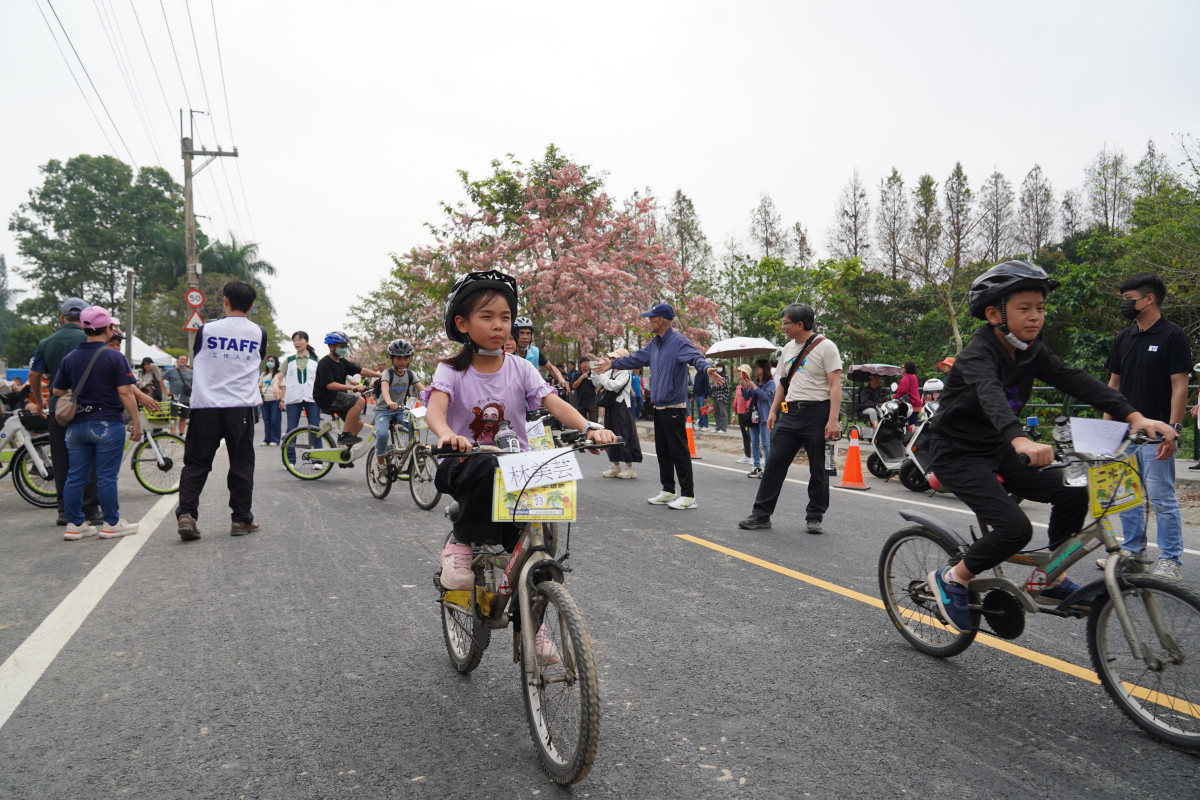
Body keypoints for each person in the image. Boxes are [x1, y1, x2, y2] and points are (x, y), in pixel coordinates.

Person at [918, 261, 1176, 633]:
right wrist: (1019, 437)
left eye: (1040, 308)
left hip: (1000, 448)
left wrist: (1134, 416)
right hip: (957, 452)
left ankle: (1051, 577)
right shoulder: (978, 353)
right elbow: (989, 394)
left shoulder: (1030, 350)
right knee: (1014, 530)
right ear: (994, 314)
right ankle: (952, 578)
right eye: (1024, 308)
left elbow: (1075, 380)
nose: (1036, 316)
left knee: (1075, 489)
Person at [424, 269, 614, 592]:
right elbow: (435, 410)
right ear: (462, 323)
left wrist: (589, 426)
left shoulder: (522, 368)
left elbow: (554, 403)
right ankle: (460, 541)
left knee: (536, 554)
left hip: (516, 469)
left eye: (505, 316)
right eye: (487, 316)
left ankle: (532, 627)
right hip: (464, 465)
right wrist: (446, 434)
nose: (499, 325)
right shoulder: (451, 369)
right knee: (486, 465)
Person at [592, 301, 724, 511]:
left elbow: (696, 357)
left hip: (675, 407)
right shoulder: (655, 344)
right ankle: (668, 490)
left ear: (660, 320)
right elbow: (636, 358)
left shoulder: (679, 342)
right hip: (659, 406)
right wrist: (612, 363)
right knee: (663, 450)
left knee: (679, 451)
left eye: (651, 318)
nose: (649, 322)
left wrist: (707, 368)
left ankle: (688, 495)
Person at [1103, 272, 1191, 581]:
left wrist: (1173, 428)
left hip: (1157, 434)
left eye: (1129, 299)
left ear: (1149, 299)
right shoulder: (1124, 338)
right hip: (1126, 433)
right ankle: (1133, 553)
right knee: (1127, 495)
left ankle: (1171, 560)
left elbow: (1180, 386)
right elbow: (1113, 384)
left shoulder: (1172, 335)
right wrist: (1107, 429)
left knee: (1161, 497)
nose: (1124, 304)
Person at [176, 280, 269, 541]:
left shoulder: (205, 330)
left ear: (225, 301)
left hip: (205, 406)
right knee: (241, 463)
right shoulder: (258, 333)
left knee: (196, 463)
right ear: (251, 306)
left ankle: (187, 515)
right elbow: (259, 359)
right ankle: (241, 519)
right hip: (240, 407)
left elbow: (198, 358)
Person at [738, 303, 842, 534]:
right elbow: (782, 384)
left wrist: (832, 420)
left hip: (818, 413)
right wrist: (774, 410)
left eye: (785, 323)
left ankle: (815, 516)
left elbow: (835, 385)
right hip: (791, 413)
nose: (782, 327)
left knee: (819, 468)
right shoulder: (787, 349)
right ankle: (761, 514)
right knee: (774, 463)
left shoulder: (827, 347)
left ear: (800, 324)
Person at [51, 306, 141, 540]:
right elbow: (126, 392)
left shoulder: (70, 357)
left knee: (75, 476)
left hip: (76, 426)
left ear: (83, 327)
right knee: (106, 477)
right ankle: (111, 523)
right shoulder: (114, 357)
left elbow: (58, 390)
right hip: (106, 423)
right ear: (109, 329)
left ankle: (74, 524)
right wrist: (137, 422)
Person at [27, 296, 104, 528]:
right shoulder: (89, 338)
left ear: (61, 318)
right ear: (83, 318)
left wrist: (40, 402)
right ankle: (90, 509)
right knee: (90, 458)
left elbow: (33, 376)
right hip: (88, 408)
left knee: (61, 460)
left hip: (58, 409)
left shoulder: (46, 343)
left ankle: (64, 511)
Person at [370, 338, 426, 485]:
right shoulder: (387, 374)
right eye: (398, 358)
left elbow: (423, 390)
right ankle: (380, 466)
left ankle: (415, 453)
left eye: (406, 357)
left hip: (401, 410)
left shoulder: (410, 374)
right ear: (392, 358)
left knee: (415, 424)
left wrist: (434, 399)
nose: (402, 361)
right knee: (382, 434)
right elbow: (384, 389)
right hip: (383, 410)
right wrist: (389, 402)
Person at [314, 331, 382, 446]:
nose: (344, 349)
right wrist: (353, 387)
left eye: (346, 346)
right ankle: (345, 435)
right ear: (331, 347)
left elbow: (361, 370)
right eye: (341, 347)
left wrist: (382, 375)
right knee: (360, 401)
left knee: (359, 424)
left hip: (337, 396)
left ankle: (344, 453)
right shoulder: (325, 363)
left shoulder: (342, 362)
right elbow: (330, 385)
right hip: (327, 397)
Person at [592, 347, 642, 479]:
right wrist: (595, 372)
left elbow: (613, 386)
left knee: (624, 435)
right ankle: (615, 466)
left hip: (622, 408)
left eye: (614, 358)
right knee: (610, 436)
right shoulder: (610, 371)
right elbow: (597, 382)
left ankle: (630, 468)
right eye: (611, 358)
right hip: (611, 407)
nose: (611, 360)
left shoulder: (626, 373)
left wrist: (601, 376)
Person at [281, 332, 321, 439]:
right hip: (293, 399)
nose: (297, 343)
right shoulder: (289, 360)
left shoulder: (316, 360)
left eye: (300, 340)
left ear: (307, 342)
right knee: (291, 429)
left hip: (312, 398)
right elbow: (279, 377)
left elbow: (323, 379)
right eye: (295, 340)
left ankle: (318, 454)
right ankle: (290, 456)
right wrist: (276, 387)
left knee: (315, 428)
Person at [514, 317, 569, 392]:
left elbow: (551, 368)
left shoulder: (535, 352)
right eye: (521, 333)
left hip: (531, 396)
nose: (525, 337)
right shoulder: (508, 352)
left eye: (528, 333)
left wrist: (561, 379)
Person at [743, 359, 775, 479]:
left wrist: (754, 387)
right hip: (753, 416)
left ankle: (768, 469)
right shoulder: (755, 382)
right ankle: (757, 467)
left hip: (765, 416)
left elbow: (766, 396)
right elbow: (747, 397)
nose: (755, 370)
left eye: (757, 367)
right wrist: (743, 386)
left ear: (764, 369)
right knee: (755, 442)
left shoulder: (770, 383)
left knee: (766, 443)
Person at [161, 354, 193, 436]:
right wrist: (165, 391)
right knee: (173, 416)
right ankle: (173, 434)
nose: (182, 361)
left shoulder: (191, 372)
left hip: (186, 398)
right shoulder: (170, 371)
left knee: (183, 417)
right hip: (174, 398)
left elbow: (195, 384)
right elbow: (161, 379)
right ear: (177, 361)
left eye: (184, 360)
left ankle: (181, 433)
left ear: (186, 362)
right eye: (181, 359)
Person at [259, 355, 283, 446]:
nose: (270, 362)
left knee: (274, 420)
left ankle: (275, 439)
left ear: (276, 362)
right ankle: (267, 439)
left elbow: (283, 388)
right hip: (265, 400)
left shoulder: (279, 374)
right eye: (268, 360)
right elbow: (260, 386)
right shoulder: (264, 374)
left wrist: (282, 400)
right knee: (266, 420)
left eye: (272, 361)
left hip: (275, 400)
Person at [733, 364, 754, 464]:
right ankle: (747, 455)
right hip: (740, 413)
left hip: (747, 414)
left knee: (750, 435)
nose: (738, 373)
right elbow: (736, 401)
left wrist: (747, 411)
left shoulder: (748, 385)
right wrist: (734, 414)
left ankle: (758, 457)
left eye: (740, 371)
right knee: (745, 435)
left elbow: (748, 400)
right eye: (738, 371)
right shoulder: (738, 387)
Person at [571, 357, 598, 422]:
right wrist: (581, 377)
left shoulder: (593, 374)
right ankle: (584, 432)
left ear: (589, 364)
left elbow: (597, 385)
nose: (585, 365)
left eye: (587, 363)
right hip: (581, 401)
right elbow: (574, 386)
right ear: (580, 365)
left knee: (593, 420)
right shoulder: (577, 374)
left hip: (592, 401)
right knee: (582, 421)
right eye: (583, 363)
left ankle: (594, 432)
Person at [710, 364, 730, 432]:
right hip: (715, 397)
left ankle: (723, 428)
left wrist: (716, 385)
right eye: (717, 367)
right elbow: (712, 387)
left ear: (723, 368)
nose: (718, 368)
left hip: (722, 397)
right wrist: (716, 385)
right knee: (716, 413)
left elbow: (722, 386)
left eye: (720, 367)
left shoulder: (725, 377)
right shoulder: (714, 377)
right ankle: (717, 427)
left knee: (723, 413)